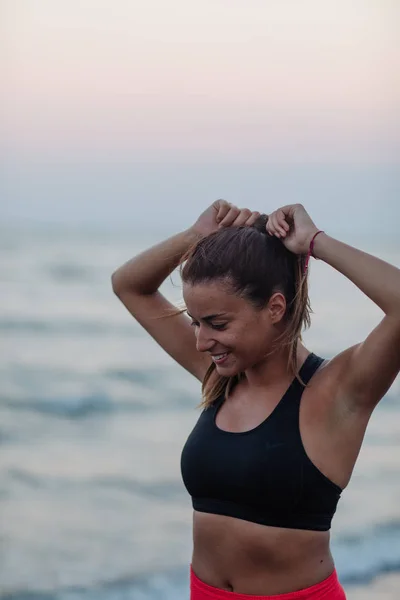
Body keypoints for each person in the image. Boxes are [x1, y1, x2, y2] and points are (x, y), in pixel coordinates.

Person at [111, 201, 400, 599]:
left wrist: (315, 242)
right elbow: (128, 285)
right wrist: (194, 237)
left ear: (275, 308)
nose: (200, 341)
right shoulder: (219, 377)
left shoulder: (336, 391)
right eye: (196, 322)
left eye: (217, 323)